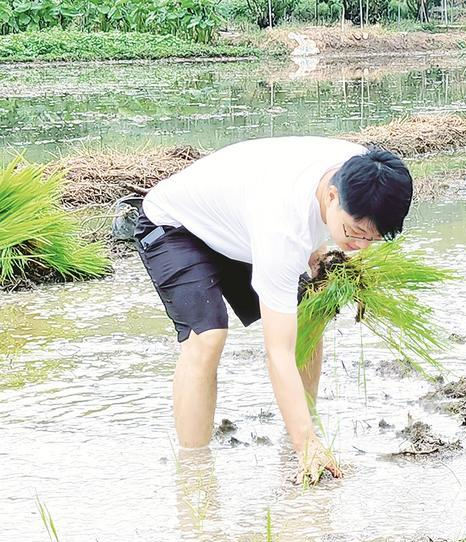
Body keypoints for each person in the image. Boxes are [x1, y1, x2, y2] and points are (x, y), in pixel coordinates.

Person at [134, 136, 413, 483]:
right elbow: (277, 352)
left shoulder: (369, 170)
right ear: (332, 196)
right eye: (354, 233)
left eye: (372, 239)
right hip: (177, 225)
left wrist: (335, 253)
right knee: (207, 338)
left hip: (241, 224)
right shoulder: (282, 228)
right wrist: (306, 445)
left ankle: (299, 430)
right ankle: (195, 473)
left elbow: (355, 230)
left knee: (310, 311)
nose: (360, 246)